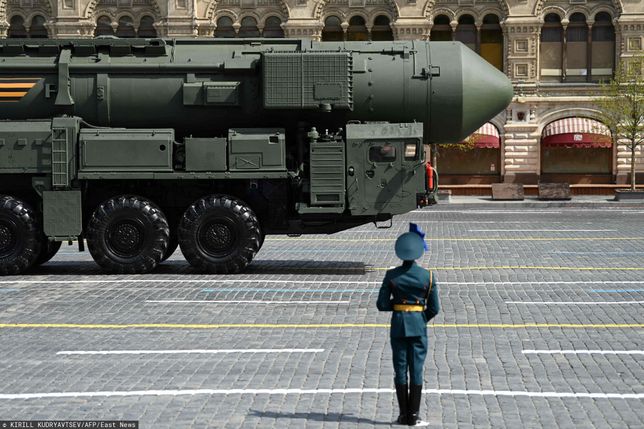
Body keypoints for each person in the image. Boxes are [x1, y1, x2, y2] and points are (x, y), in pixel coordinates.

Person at [377, 224, 440, 426]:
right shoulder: (428, 276)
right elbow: (435, 308)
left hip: (398, 325)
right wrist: (420, 318)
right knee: (417, 369)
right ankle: (414, 416)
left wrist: (398, 308)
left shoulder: (391, 275)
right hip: (418, 325)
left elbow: (382, 304)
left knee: (400, 369)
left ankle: (403, 415)